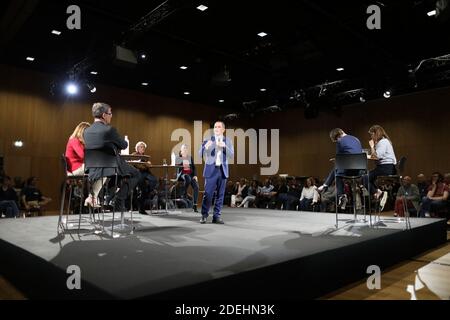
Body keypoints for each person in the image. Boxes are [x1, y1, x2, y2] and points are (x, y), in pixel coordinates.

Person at [83, 102, 141, 211]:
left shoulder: (86, 131)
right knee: (136, 174)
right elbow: (124, 145)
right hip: (111, 165)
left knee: (117, 176)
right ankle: (119, 199)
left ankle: (108, 198)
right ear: (104, 115)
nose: (111, 116)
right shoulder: (109, 130)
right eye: (110, 113)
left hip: (93, 168)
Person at [318, 128, 363, 210]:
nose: (336, 141)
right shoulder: (356, 139)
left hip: (349, 169)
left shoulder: (340, 141)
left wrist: (336, 160)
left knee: (337, 172)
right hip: (360, 169)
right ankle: (326, 185)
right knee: (337, 167)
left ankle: (340, 195)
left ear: (338, 136)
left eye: (336, 140)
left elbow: (339, 157)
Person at [199, 121, 234, 224]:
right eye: (215, 127)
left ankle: (216, 217)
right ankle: (204, 215)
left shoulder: (227, 141)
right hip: (211, 171)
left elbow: (231, 155)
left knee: (220, 195)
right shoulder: (208, 140)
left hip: (222, 170)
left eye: (219, 127)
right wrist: (205, 147)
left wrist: (224, 147)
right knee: (208, 194)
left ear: (223, 129)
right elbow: (199, 153)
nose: (216, 128)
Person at [366, 125, 397, 211]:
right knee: (367, 178)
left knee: (364, 178)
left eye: (371, 134)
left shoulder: (383, 142)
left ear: (376, 133)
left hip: (386, 168)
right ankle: (378, 192)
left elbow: (377, 156)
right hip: (386, 167)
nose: (371, 137)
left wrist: (372, 146)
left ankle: (378, 192)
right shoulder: (383, 141)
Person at [132, 141, 158, 214]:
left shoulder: (145, 156)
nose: (143, 148)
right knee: (143, 189)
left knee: (154, 181)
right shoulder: (134, 155)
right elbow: (137, 165)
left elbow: (150, 165)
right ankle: (141, 209)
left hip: (146, 173)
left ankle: (146, 192)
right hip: (138, 173)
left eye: (144, 147)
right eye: (141, 147)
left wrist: (146, 164)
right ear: (137, 148)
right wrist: (145, 164)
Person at [176, 144, 199, 212]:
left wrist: (195, 175)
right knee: (187, 178)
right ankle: (184, 193)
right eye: (184, 148)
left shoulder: (190, 157)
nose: (185, 150)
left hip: (190, 175)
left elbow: (194, 167)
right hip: (182, 174)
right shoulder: (178, 158)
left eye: (186, 148)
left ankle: (194, 205)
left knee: (196, 186)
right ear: (181, 150)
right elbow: (177, 168)